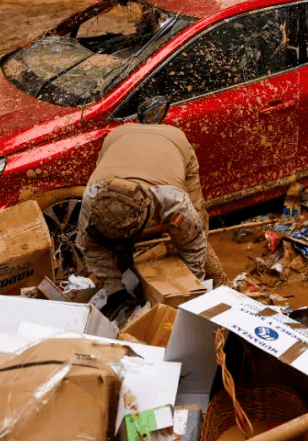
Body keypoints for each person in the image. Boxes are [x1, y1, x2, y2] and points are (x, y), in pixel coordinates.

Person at [76, 96, 228, 318]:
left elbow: (193, 246)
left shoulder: (174, 203)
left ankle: (220, 283)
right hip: (119, 143)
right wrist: (114, 291)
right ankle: (124, 283)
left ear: (146, 218)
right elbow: (89, 246)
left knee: (195, 227)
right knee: (111, 244)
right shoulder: (92, 196)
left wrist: (188, 291)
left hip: (175, 148)